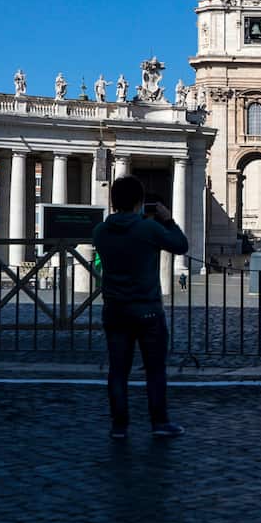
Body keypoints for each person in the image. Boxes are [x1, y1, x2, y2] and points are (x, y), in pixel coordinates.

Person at [93, 176, 189, 439]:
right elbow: (181, 245)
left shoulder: (100, 231)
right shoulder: (148, 229)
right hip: (147, 311)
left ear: (113, 201)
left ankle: (119, 426)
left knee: (118, 370)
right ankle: (159, 422)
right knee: (155, 370)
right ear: (139, 201)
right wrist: (167, 220)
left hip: (115, 310)